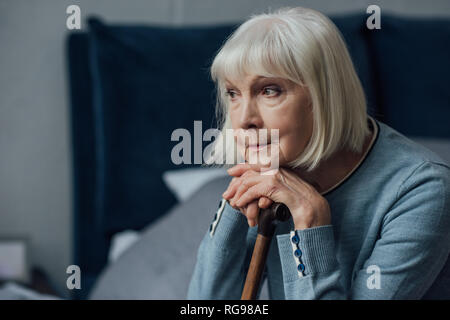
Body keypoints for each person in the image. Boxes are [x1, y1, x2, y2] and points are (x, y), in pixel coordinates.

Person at [187, 7, 450, 299]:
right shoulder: (275, 171)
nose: (244, 118)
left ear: (324, 95)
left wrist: (309, 220)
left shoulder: (424, 191)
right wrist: (232, 206)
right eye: (233, 94)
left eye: (269, 90)